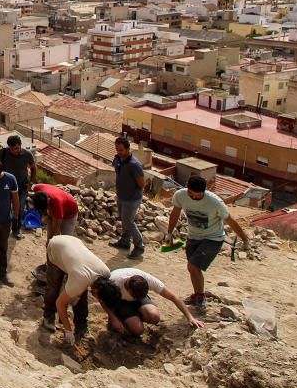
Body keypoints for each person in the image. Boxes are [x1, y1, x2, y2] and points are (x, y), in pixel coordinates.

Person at [166, 175, 250, 310]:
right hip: (194, 236)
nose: (196, 198)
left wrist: (245, 240)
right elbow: (175, 213)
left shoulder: (215, 202)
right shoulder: (180, 195)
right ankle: (198, 295)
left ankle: (200, 298)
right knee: (192, 268)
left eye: (199, 196)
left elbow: (231, 221)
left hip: (213, 238)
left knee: (193, 266)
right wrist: (169, 233)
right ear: (188, 190)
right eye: (193, 195)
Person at [92, 268, 205, 337]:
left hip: (138, 299)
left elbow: (173, 296)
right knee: (138, 330)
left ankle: (134, 315)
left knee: (154, 317)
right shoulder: (114, 281)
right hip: (120, 301)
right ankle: (124, 318)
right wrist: (112, 317)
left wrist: (190, 317)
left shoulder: (148, 280)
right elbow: (101, 298)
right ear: (127, 287)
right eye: (133, 296)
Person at [42, 235, 110, 345]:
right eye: (96, 296)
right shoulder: (81, 279)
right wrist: (68, 330)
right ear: (97, 289)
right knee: (53, 288)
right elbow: (60, 303)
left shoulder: (105, 273)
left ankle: (81, 326)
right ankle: (48, 315)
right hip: (56, 247)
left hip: (73, 245)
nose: (96, 298)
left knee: (81, 295)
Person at [110, 137, 146, 260]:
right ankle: (125, 241)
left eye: (121, 150)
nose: (118, 152)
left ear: (128, 149)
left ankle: (139, 246)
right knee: (124, 220)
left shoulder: (134, 165)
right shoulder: (118, 159)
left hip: (132, 198)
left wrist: (130, 190)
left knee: (129, 222)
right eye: (117, 149)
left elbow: (142, 184)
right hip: (121, 196)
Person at [0, 135, 36, 240]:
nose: (15, 151)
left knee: (19, 209)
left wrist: (31, 183)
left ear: (20, 146)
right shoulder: (3, 153)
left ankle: (16, 229)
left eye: (17, 148)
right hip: (6, 186)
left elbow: (33, 168)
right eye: (12, 149)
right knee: (5, 208)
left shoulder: (27, 155)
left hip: (21, 186)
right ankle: (4, 228)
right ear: (8, 147)